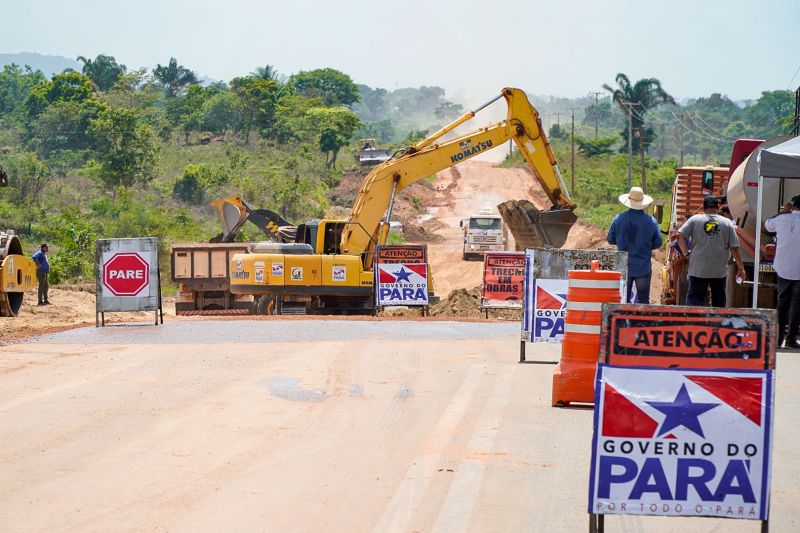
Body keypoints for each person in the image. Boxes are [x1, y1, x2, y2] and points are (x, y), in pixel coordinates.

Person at [677, 195, 745, 307]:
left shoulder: (695, 219)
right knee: (719, 301)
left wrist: (686, 252)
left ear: (704, 208)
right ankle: (717, 323)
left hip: (698, 268)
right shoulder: (727, 223)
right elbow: (735, 249)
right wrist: (741, 268)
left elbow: (679, 235)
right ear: (718, 208)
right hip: (719, 270)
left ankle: (693, 322)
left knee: (695, 299)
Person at [607, 186, 662, 303]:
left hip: (624, 266)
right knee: (643, 301)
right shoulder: (651, 221)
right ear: (643, 203)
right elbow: (658, 243)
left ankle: (623, 321)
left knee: (623, 300)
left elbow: (611, 240)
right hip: (642, 267)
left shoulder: (618, 219)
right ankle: (642, 321)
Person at [764, 195, 800, 349]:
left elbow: (767, 226)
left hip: (783, 268)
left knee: (782, 303)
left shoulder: (780, 219)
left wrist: (782, 212)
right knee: (797, 305)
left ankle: (778, 339)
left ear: (792, 205)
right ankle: (791, 338)